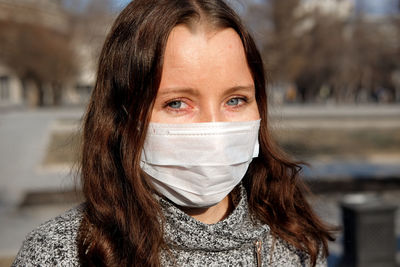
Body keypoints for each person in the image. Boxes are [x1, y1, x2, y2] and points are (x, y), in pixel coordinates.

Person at [12, 0, 335, 266]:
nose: (214, 128)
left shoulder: (295, 239)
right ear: (123, 117)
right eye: (177, 103)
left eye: (235, 100)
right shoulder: (62, 254)